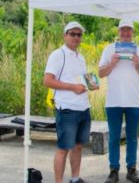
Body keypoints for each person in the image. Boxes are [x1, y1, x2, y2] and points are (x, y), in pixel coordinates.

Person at [99, 19, 139, 183]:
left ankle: (131, 170)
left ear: (133, 33)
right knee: (114, 137)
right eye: (123, 30)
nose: (126, 33)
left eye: (129, 30)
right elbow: (100, 73)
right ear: (118, 32)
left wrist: (138, 66)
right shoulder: (109, 49)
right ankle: (113, 170)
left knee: (132, 137)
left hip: (133, 101)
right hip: (113, 101)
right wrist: (112, 64)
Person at [43, 21, 91, 183]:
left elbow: (81, 81)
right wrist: (72, 88)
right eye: (72, 34)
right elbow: (47, 81)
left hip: (84, 107)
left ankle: (75, 179)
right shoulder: (58, 55)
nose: (76, 37)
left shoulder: (81, 57)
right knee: (63, 149)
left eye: (79, 35)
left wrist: (91, 84)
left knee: (78, 146)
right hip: (67, 109)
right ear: (65, 35)